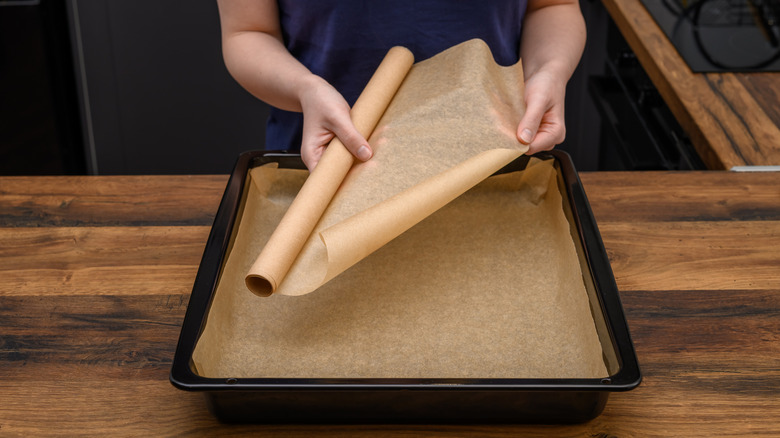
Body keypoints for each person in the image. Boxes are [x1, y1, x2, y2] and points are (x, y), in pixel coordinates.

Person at [216, 0, 586, 170]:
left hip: (493, 159)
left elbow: (552, 6)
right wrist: (304, 88)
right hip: (327, 163)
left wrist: (548, 70)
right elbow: (248, 32)